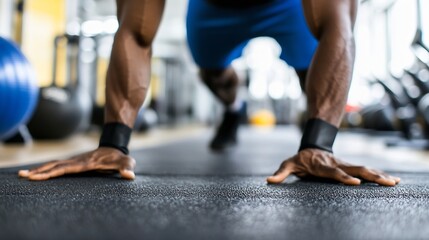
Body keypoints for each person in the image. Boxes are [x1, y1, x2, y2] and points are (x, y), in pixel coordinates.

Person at [19, 0, 400, 186]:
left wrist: (318, 144)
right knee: (215, 76)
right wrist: (113, 143)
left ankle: (312, 135)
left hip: (287, 6)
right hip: (214, 9)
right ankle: (234, 109)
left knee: (312, 74)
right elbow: (135, 31)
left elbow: (340, 25)